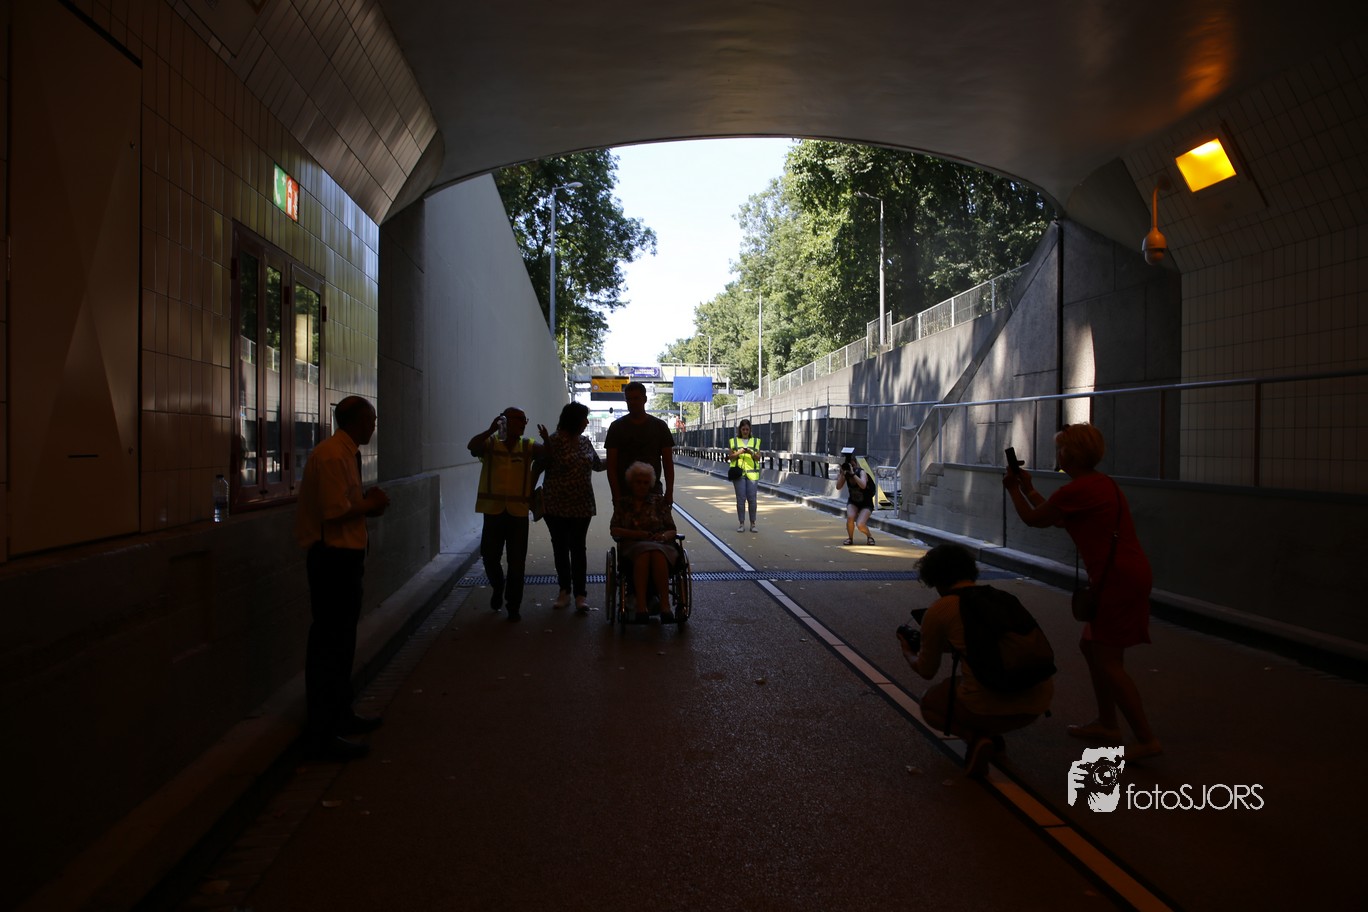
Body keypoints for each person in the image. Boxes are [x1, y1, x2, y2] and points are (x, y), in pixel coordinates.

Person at [1003, 423, 1161, 761]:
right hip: (1126, 573)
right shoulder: (1100, 484)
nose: (1058, 453)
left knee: (1108, 660)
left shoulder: (1078, 490)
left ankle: (1145, 739)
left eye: (1061, 448)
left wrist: (1013, 489)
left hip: (1116, 579)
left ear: (1070, 454)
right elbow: (1058, 517)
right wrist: (1028, 488)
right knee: (1092, 647)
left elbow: (1034, 519)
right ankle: (1107, 723)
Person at [900, 544, 1054, 777]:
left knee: (930, 703)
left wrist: (908, 651)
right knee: (977, 678)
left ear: (934, 578)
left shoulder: (941, 608)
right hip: (1037, 703)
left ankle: (978, 739)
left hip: (988, 705)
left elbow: (926, 669)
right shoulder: (1003, 598)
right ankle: (993, 737)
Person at [294, 396, 390, 761]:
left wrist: (366, 505)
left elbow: (345, 503)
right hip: (331, 559)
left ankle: (340, 715)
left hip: (345, 558)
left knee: (343, 641)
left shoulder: (346, 453)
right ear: (357, 421)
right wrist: (371, 504)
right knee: (329, 645)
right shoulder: (333, 455)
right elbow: (334, 511)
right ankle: (322, 732)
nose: (374, 427)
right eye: (371, 420)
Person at [468, 407, 545, 622]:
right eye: (518, 419)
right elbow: (472, 446)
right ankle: (498, 586)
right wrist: (490, 430)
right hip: (493, 511)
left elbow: (549, 456)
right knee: (490, 557)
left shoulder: (527, 445)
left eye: (524, 419)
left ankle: (513, 606)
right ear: (504, 421)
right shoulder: (491, 443)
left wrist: (548, 441)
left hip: (518, 514)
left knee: (517, 562)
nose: (523, 423)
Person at [535, 402, 605, 613]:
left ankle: (580, 595)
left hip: (582, 505)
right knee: (561, 547)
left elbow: (597, 465)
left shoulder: (585, 441)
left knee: (578, 548)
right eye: (584, 418)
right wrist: (529, 494)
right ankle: (564, 591)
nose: (586, 422)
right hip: (555, 505)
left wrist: (619, 458)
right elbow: (538, 466)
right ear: (574, 420)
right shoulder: (554, 441)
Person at [609, 461, 679, 622]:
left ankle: (665, 606)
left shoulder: (659, 502)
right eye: (638, 482)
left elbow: (672, 529)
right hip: (633, 545)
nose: (642, 486)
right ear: (631, 483)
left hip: (660, 544)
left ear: (651, 484)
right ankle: (641, 606)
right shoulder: (623, 504)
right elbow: (614, 530)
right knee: (645, 552)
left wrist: (663, 537)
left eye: (645, 483)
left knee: (656, 552)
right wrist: (637, 534)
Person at [604, 381, 674, 505]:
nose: (632, 402)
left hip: (653, 491)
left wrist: (669, 492)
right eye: (629, 399)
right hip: (625, 493)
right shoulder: (616, 428)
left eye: (636, 398)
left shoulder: (660, 426)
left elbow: (668, 463)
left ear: (645, 399)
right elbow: (611, 466)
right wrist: (616, 496)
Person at [834, 449, 875, 545]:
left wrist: (853, 475)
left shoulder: (861, 472)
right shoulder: (846, 474)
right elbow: (838, 487)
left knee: (860, 524)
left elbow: (863, 485)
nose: (850, 468)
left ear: (855, 464)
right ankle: (850, 538)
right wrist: (842, 474)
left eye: (852, 465)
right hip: (853, 502)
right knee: (850, 517)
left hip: (866, 503)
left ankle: (869, 536)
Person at [728, 418, 762, 533]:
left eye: (747, 429)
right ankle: (741, 523)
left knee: (752, 499)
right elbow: (730, 457)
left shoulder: (756, 441)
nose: (745, 431)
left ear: (750, 430)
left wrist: (750, 452)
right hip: (739, 474)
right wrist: (740, 452)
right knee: (741, 499)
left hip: (752, 474)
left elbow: (758, 458)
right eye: (743, 429)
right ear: (740, 430)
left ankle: (753, 523)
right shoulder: (734, 441)